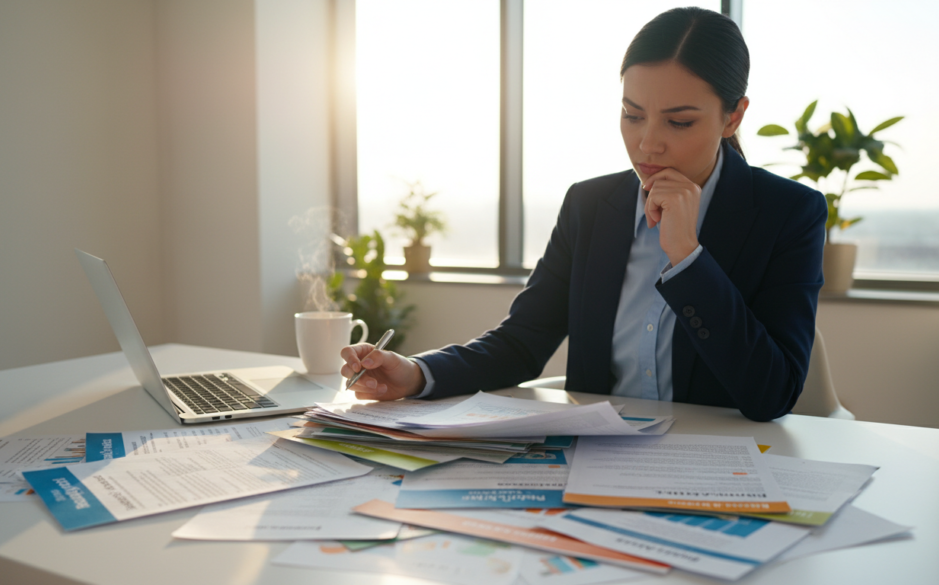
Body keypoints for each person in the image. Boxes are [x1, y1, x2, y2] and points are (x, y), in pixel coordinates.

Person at [340, 7, 827, 422]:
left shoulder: (789, 213)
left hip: (720, 469)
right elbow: (522, 342)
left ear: (733, 116)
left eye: (679, 122)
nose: (647, 143)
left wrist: (687, 258)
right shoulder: (591, 206)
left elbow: (773, 394)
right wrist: (417, 372)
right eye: (632, 115)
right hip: (595, 461)